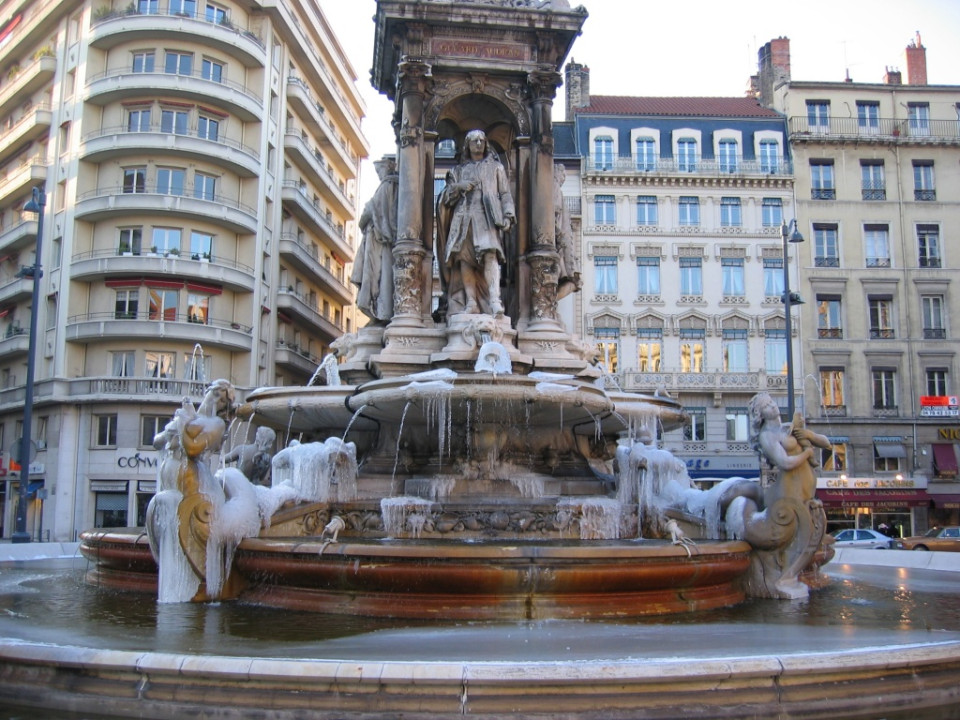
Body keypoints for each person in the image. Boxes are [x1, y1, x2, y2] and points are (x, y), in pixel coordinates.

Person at [436, 129, 515, 316]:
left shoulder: (496, 167)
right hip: (463, 218)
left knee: (490, 254)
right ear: (467, 145)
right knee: (464, 260)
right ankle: (471, 302)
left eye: (481, 140)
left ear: (486, 143)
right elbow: (445, 198)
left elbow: (505, 194)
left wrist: (508, 214)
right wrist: (458, 187)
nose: (478, 144)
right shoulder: (458, 171)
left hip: (487, 217)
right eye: (474, 141)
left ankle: (495, 300)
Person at [748, 392, 831, 501]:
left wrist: (809, 435)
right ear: (760, 414)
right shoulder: (767, 435)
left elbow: (826, 443)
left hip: (805, 490)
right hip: (789, 490)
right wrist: (807, 453)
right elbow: (785, 463)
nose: (772, 405)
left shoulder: (788, 427)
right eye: (766, 406)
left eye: (771, 401)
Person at [351, 156, 399, 325]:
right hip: (379, 238)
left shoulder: (388, 185)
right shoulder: (390, 185)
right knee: (378, 278)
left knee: (379, 278)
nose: (379, 175)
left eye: (380, 171)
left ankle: (381, 314)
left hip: (381, 240)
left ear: (388, 168)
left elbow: (373, 209)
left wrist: (367, 214)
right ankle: (379, 313)